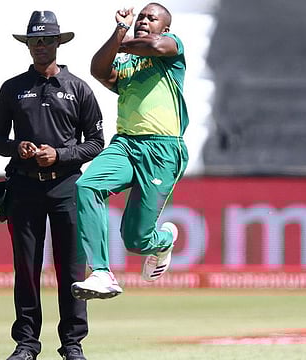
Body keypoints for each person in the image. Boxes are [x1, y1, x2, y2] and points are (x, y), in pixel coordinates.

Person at [0, 10, 104, 360]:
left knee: (71, 268)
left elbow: (96, 142)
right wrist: (16, 149)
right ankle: (26, 344)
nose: (40, 46)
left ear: (58, 43)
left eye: (46, 40)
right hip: (24, 187)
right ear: (28, 45)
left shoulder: (77, 88)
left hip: (67, 186)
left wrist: (61, 155)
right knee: (26, 267)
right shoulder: (13, 88)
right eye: (35, 41)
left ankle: (72, 345)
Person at [71, 3, 189, 300]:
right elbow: (98, 69)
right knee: (87, 186)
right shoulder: (126, 65)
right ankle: (101, 272)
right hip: (126, 144)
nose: (145, 21)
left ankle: (164, 240)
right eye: (142, 17)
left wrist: (120, 41)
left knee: (136, 241)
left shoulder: (172, 49)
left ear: (166, 27)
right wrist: (120, 31)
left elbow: (155, 46)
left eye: (153, 18)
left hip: (163, 149)